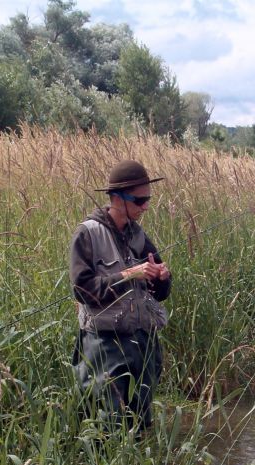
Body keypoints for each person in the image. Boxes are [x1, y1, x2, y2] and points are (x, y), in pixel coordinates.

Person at [70, 159, 172, 432]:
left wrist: (162, 277)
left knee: (140, 423)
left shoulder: (139, 235)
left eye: (148, 199)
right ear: (117, 198)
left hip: (142, 342)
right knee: (106, 425)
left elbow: (161, 294)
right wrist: (129, 274)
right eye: (139, 200)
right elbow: (82, 290)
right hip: (105, 345)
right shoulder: (87, 234)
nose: (145, 207)